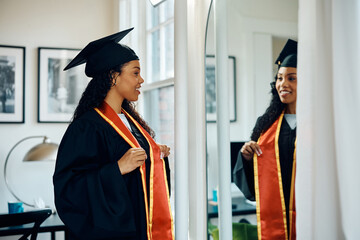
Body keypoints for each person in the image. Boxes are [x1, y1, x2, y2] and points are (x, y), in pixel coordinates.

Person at [53, 28, 174, 240]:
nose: (141, 80)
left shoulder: (133, 123)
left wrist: (154, 156)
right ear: (113, 76)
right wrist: (117, 169)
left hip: (141, 228)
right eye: (135, 73)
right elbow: (69, 191)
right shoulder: (87, 127)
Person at [233, 39, 298, 240]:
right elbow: (252, 181)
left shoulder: (322, 124)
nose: (283, 84)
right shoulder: (266, 125)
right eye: (279, 78)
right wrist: (246, 155)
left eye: (292, 78)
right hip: (275, 221)